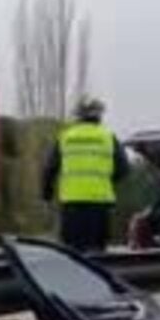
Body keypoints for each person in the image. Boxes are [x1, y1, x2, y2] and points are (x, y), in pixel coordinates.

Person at [41, 97, 130, 252]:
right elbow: (124, 169)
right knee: (97, 251)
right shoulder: (108, 137)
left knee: (72, 251)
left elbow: (50, 168)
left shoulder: (66, 137)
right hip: (99, 204)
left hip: (72, 203)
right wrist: (107, 181)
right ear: (99, 116)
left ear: (79, 116)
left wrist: (46, 194)